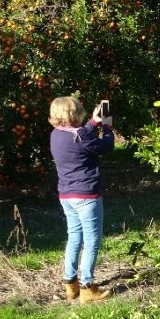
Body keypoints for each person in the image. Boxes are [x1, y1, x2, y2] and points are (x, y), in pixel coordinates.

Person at [49, 96, 115, 304]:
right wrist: (107, 127)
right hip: (86, 195)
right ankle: (87, 287)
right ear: (74, 114)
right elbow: (106, 146)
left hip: (66, 195)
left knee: (74, 236)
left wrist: (94, 122)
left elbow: (78, 134)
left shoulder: (56, 135)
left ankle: (70, 284)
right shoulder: (81, 136)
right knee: (92, 240)